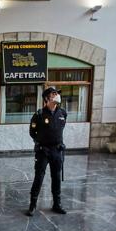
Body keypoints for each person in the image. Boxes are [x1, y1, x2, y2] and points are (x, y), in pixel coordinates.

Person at [26, 86, 67, 216]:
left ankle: (57, 204)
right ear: (46, 98)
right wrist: (40, 142)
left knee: (56, 177)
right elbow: (32, 132)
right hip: (43, 151)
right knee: (39, 177)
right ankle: (32, 205)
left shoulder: (63, 113)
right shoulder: (39, 114)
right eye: (54, 94)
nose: (57, 96)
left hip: (57, 150)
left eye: (57, 93)